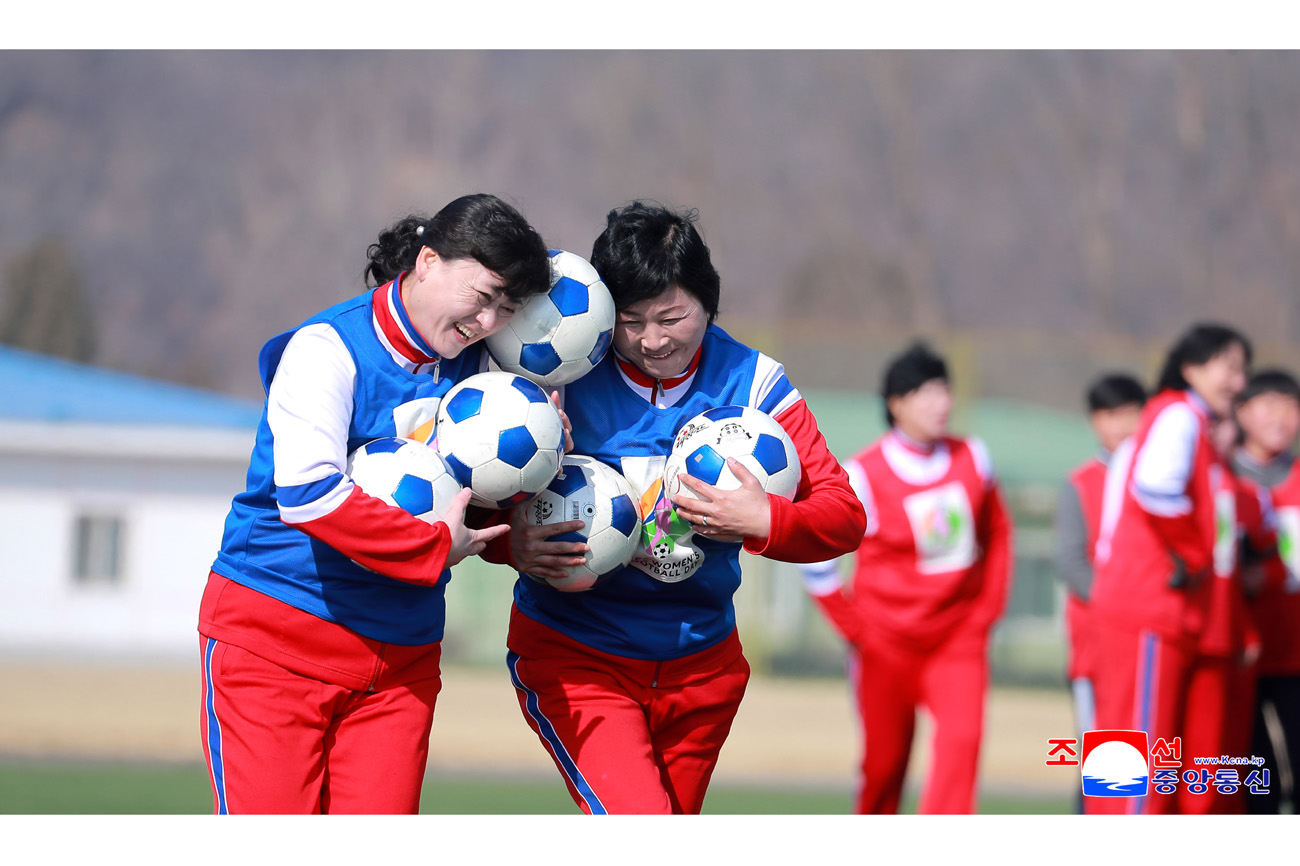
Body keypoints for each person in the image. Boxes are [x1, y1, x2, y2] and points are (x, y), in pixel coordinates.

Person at [490, 201, 866, 815]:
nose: (652, 339)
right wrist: (514, 545)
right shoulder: (557, 376)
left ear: (707, 302)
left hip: (703, 674)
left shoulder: (756, 383)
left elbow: (844, 515)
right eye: (632, 320)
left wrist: (766, 520)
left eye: (672, 316)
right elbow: (477, 497)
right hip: (579, 659)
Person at [197, 194, 552, 814]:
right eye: (483, 295)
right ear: (427, 261)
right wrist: (437, 548)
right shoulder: (325, 349)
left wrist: (525, 497)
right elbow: (309, 497)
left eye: (507, 307)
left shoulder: (488, 377)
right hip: (278, 640)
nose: (490, 321)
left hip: (399, 660)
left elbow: (467, 503)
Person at [799, 342, 1014, 814]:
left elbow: (999, 533)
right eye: (927, 393)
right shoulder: (864, 474)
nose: (942, 403)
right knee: (884, 766)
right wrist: (859, 633)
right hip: (886, 645)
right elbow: (818, 564)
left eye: (945, 390)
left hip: (957, 639)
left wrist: (986, 612)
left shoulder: (974, 458)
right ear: (896, 404)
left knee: (963, 744)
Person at [1088, 322, 1251, 815]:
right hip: (1148, 607)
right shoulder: (1180, 414)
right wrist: (1195, 553)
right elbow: (1156, 486)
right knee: (1136, 756)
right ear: (1193, 368)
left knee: (1136, 754)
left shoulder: (1179, 419)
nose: (1239, 382)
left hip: (1148, 608)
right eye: (1231, 368)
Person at [1054, 373, 1145, 813]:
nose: (1125, 425)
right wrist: (1121, 606)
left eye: (1133, 413)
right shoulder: (1081, 483)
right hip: (1098, 648)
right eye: (1113, 415)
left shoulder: (1158, 478)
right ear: (1095, 421)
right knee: (1108, 766)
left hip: (1153, 644)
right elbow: (1070, 561)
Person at [1230, 368, 1300, 814]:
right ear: (1241, 412)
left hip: (1296, 654)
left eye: (1290, 407)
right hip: (1239, 655)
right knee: (1253, 781)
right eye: (1268, 405)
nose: (1281, 418)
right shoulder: (1219, 479)